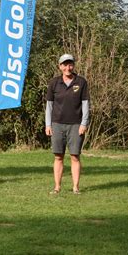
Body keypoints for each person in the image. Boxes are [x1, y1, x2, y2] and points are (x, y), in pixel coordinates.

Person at [45, 54, 90, 195]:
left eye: (70, 64)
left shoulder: (81, 82)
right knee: (58, 156)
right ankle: (57, 187)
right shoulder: (54, 83)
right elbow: (49, 106)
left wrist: (84, 123)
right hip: (57, 124)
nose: (67, 68)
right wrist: (48, 124)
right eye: (64, 65)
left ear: (73, 65)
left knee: (75, 156)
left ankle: (76, 187)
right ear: (60, 66)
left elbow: (86, 105)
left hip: (76, 125)